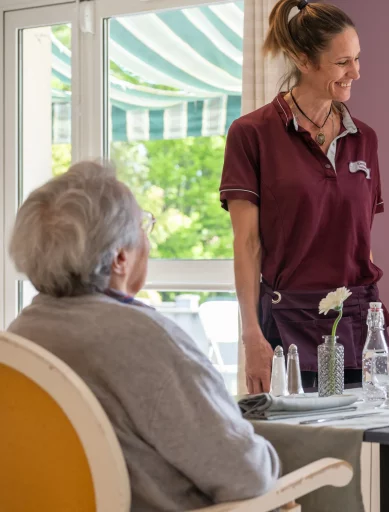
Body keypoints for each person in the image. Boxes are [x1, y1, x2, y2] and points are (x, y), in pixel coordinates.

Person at [8, 162, 280, 511]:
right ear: (120, 258)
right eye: (143, 226)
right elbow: (246, 474)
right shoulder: (146, 340)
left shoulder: (19, 338)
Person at [220, 0, 389, 394]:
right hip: (287, 322)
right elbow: (247, 244)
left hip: (358, 319)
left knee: (376, 430)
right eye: (342, 62)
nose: (356, 72)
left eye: (357, 59)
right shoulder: (252, 134)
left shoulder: (364, 138)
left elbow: (361, 239)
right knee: (295, 433)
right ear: (303, 59)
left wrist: (374, 321)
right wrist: (251, 335)